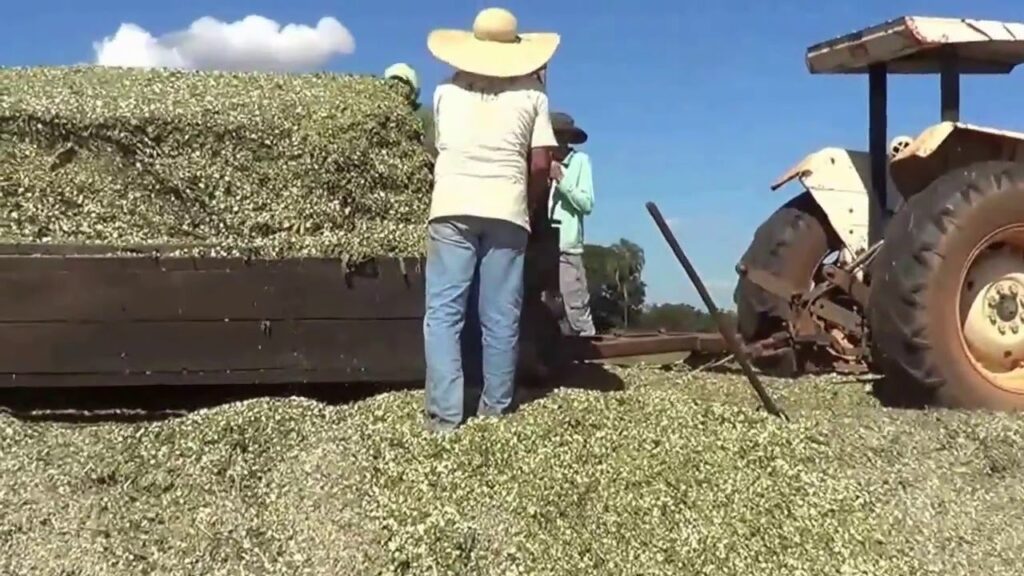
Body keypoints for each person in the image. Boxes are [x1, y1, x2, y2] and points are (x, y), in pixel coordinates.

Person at [422, 7, 560, 433]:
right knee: (500, 314)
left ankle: (445, 415)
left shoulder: (445, 93)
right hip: (506, 209)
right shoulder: (534, 97)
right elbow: (540, 164)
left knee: (444, 312)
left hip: (451, 206)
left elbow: (436, 149)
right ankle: (495, 411)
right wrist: (531, 204)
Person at [549, 112, 596, 337]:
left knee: (575, 306)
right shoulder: (540, 163)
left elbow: (586, 203)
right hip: (540, 247)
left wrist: (561, 181)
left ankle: (589, 355)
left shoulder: (580, 162)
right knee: (547, 310)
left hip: (566, 246)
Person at [383, 62, 437, 160]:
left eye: (403, 83)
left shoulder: (423, 114)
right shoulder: (380, 113)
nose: (396, 88)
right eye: (392, 83)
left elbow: (432, 145)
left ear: (413, 91)